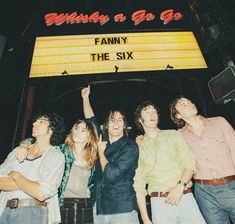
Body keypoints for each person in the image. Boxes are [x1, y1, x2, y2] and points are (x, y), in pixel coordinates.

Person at [133, 101, 206, 224]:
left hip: (185, 197)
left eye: (154, 111)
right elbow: (139, 186)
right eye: (147, 112)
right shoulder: (138, 147)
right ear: (140, 119)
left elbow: (189, 164)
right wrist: (145, 218)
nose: (152, 114)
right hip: (159, 204)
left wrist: (179, 187)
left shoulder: (173, 135)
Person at [16, 119, 99, 224]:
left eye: (82, 130)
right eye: (76, 128)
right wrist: (24, 145)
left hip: (85, 206)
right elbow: (38, 140)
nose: (77, 132)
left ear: (89, 137)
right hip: (62, 203)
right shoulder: (61, 150)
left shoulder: (94, 157)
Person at [170, 96, 235, 224]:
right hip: (204, 192)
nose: (189, 104)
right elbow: (161, 141)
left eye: (189, 101)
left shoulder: (219, 122)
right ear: (177, 115)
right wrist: (141, 139)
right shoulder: (179, 135)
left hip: (230, 186)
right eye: (183, 105)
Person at [81, 85, 140, 224]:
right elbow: (91, 119)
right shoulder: (102, 140)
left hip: (122, 208)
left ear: (124, 125)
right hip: (99, 208)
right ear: (106, 125)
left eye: (120, 120)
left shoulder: (130, 146)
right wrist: (85, 97)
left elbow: (112, 175)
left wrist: (101, 153)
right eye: (112, 119)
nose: (116, 122)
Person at [0, 112, 66, 224]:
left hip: (34, 212)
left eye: (41, 122)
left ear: (51, 130)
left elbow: (40, 194)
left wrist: (16, 175)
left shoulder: (56, 156)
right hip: (5, 210)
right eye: (35, 121)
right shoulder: (17, 151)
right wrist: (33, 183)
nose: (34, 123)